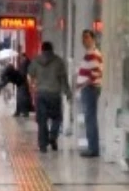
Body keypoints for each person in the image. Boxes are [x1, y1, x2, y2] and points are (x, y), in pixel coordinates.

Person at [28, 41, 72, 153]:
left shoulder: (36, 61)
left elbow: (30, 75)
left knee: (42, 120)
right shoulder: (58, 61)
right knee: (57, 118)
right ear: (52, 50)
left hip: (40, 94)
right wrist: (67, 93)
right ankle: (53, 137)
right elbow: (63, 79)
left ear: (42, 50)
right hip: (54, 94)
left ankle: (43, 145)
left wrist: (32, 88)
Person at [77, 30, 103, 158]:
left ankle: (93, 148)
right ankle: (92, 147)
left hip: (90, 89)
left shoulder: (93, 54)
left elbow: (96, 73)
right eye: (83, 38)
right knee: (89, 118)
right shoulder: (89, 54)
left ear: (93, 39)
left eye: (87, 38)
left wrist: (83, 84)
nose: (84, 40)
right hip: (88, 89)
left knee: (90, 118)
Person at [6, 51, 32, 118]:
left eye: (21, 57)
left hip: (22, 82)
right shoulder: (26, 62)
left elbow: (22, 74)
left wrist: (17, 74)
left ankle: (21, 112)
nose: (20, 58)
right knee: (22, 97)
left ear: (23, 56)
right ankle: (22, 111)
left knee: (22, 97)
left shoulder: (24, 63)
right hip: (23, 82)